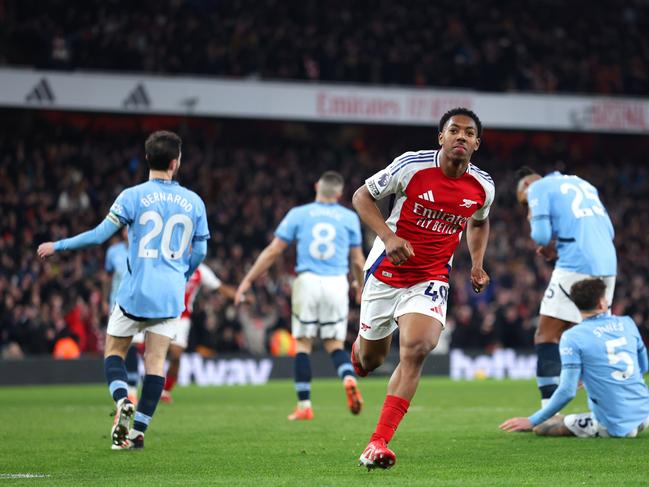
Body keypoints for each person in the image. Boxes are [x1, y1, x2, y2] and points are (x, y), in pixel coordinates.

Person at [37, 130, 209, 449]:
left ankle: (121, 401)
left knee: (115, 352)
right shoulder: (194, 202)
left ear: (147, 159)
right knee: (156, 363)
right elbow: (200, 253)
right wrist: (181, 273)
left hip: (135, 293)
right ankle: (137, 432)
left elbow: (99, 236)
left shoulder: (131, 196)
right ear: (176, 162)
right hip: (171, 296)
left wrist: (57, 245)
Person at [351, 107, 494, 469]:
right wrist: (388, 236)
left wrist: (477, 263)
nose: (461, 136)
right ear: (441, 137)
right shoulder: (411, 166)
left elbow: (479, 222)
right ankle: (360, 350)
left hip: (430, 277)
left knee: (417, 347)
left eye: (468, 133)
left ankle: (377, 441)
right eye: (454, 131)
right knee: (371, 360)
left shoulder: (483, 186)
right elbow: (361, 197)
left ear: (477, 143)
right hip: (387, 270)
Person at [235, 171, 366, 420]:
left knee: (303, 343)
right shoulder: (349, 217)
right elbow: (358, 260)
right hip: (337, 282)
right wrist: (360, 287)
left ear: (317, 186)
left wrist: (248, 280)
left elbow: (274, 251)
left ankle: (304, 406)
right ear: (339, 193)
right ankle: (348, 378)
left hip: (307, 281)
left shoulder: (299, 214)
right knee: (334, 343)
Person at [515, 167, 617, 407]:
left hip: (576, 263)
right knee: (594, 336)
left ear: (527, 186)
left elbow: (540, 235)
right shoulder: (583, 183)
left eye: (525, 202)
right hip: (608, 263)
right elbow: (610, 230)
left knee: (546, 335)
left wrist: (549, 245)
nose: (527, 209)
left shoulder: (537, 188)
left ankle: (549, 411)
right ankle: (612, 406)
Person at [500, 278, 649, 437]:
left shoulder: (572, 337)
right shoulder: (627, 322)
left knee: (542, 426)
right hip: (644, 415)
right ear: (601, 304)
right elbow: (644, 366)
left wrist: (532, 420)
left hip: (612, 425)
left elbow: (567, 391)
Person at [161, 263, 237, 403]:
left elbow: (219, 287)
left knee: (176, 354)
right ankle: (141, 385)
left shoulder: (200, 269)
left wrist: (240, 297)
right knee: (154, 351)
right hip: (160, 314)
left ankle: (165, 390)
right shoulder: (169, 260)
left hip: (182, 318)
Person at [104, 228, 139, 403]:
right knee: (117, 348)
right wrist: (104, 301)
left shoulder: (143, 249)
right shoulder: (113, 252)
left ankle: (131, 389)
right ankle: (126, 390)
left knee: (132, 347)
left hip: (138, 306)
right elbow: (107, 277)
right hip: (116, 305)